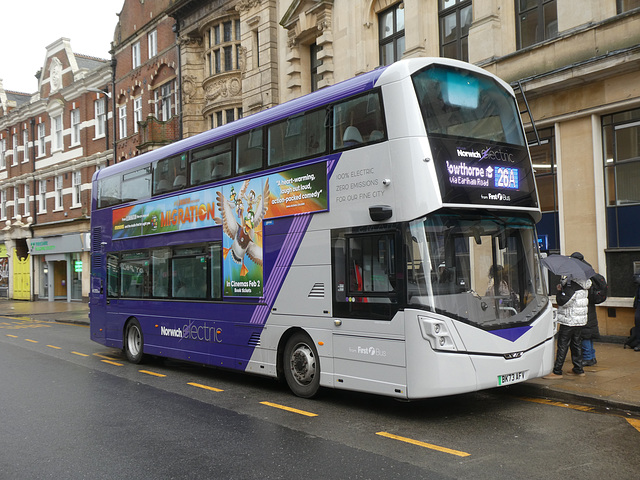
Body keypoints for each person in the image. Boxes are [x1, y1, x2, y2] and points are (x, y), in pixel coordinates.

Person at [543, 275, 591, 379]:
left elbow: (562, 301)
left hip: (569, 320)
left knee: (562, 345)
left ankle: (557, 371)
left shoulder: (572, 285)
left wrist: (560, 291)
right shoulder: (584, 284)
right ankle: (578, 369)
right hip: (579, 320)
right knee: (576, 344)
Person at [570, 252, 600, 366]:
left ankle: (587, 358)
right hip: (589, 306)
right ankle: (591, 357)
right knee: (589, 333)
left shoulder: (579, 272)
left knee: (585, 334)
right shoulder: (588, 268)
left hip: (583, 307)